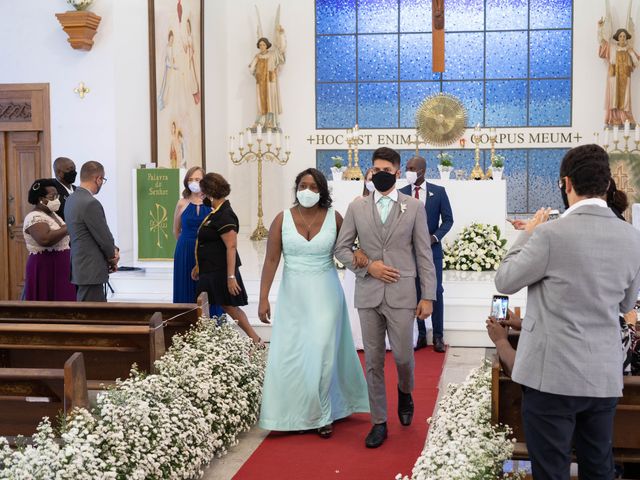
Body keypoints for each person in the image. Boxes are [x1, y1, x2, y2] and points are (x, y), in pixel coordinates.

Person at [494, 144, 640, 480]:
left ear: (566, 184)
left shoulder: (548, 234)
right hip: (603, 375)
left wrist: (526, 236)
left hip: (551, 378)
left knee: (551, 471)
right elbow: (626, 304)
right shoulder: (632, 238)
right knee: (598, 467)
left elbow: (505, 280)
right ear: (606, 186)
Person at [335, 147, 437, 449]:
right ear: (370, 172)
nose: (379, 175)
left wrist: (428, 295)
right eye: (375, 170)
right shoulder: (357, 207)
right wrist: (368, 265)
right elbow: (341, 249)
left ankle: (405, 392)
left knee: (405, 357)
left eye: (386, 171)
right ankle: (379, 422)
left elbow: (423, 253)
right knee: (374, 361)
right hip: (368, 294)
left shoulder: (414, 207)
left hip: (402, 294)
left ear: (396, 173)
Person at [257, 168, 369, 437]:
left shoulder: (335, 217)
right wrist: (263, 298)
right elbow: (271, 260)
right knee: (294, 354)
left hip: (326, 293)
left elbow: (350, 247)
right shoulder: (281, 219)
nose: (307, 191)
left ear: (322, 191)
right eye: (303, 186)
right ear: (296, 189)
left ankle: (323, 414)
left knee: (322, 352)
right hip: (293, 295)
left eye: (314, 187)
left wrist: (361, 251)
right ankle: (296, 411)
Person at [192, 173, 263, 344]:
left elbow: (231, 246)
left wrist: (231, 277)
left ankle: (255, 340)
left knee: (229, 306)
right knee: (212, 305)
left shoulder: (225, 214)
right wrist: (198, 266)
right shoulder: (215, 212)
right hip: (209, 269)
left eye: (203, 192)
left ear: (210, 192)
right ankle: (207, 341)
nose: (202, 196)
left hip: (221, 270)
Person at [399, 156, 453, 353]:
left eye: (412, 168)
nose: (409, 171)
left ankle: (438, 336)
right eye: (407, 168)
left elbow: (448, 220)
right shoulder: (401, 193)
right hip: (408, 252)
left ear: (423, 170)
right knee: (415, 291)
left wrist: (435, 237)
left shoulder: (438, 192)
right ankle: (421, 334)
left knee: (435, 291)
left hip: (432, 252)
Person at [65, 161, 119, 302]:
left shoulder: (71, 199)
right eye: (103, 180)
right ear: (98, 179)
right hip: (91, 269)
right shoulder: (90, 203)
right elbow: (104, 238)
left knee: (87, 313)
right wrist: (112, 257)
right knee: (93, 317)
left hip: (80, 266)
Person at [172, 167, 222, 318]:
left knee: (208, 289)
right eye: (191, 180)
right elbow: (176, 230)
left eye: (198, 179)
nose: (194, 183)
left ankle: (211, 325)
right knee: (185, 286)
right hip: (185, 250)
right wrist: (186, 245)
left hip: (208, 252)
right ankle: (184, 323)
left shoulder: (212, 203)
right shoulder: (182, 203)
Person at [22, 179, 76, 301]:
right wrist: (69, 226)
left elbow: (60, 232)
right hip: (45, 266)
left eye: (57, 195)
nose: (56, 199)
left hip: (61, 266)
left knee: (65, 301)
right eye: (52, 196)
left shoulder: (53, 214)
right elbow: (45, 239)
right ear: (41, 198)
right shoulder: (34, 217)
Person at [598, 21, 640, 125]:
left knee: (625, 99)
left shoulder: (629, 49)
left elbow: (636, 62)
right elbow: (602, 42)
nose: (622, 38)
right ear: (617, 37)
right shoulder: (612, 47)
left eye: (624, 36)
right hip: (614, 75)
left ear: (626, 38)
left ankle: (625, 118)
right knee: (613, 97)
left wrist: (631, 52)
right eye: (620, 36)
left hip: (625, 76)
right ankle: (614, 118)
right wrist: (600, 28)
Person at [249, 27, 286, 130]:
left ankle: (271, 122)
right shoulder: (257, 56)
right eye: (260, 45)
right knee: (261, 102)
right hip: (260, 82)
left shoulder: (273, 54)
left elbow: (282, 49)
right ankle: (261, 121)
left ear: (267, 45)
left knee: (270, 101)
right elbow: (251, 68)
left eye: (264, 44)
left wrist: (281, 35)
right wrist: (253, 71)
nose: (262, 46)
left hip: (270, 81)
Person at [157, 30, 177, 111]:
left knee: (170, 84)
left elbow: (172, 58)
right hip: (168, 68)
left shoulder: (172, 47)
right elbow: (167, 59)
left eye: (173, 39)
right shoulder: (167, 47)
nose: (172, 41)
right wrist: (171, 65)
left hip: (170, 66)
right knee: (166, 84)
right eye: (171, 39)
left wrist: (173, 63)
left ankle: (169, 101)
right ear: (169, 39)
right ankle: (164, 101)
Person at [52, 157, 77, 221]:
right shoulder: (51, 191)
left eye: (74, 169)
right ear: (58, 172)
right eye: (69, 169)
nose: (73, 172)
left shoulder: (77, 190)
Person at [183, 18, 201, 105]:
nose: (187, 28)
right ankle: (192, 94)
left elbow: (193, 49)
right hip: (187, 59)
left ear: (190, 27)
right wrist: (184, 43)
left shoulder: (191, 37)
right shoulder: (187, 37)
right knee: (189, 75)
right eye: (186, 27)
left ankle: (196, 94)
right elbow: (185, 50)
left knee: (193, 74)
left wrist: (190, 58)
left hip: (191, 58)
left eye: (188, 26)